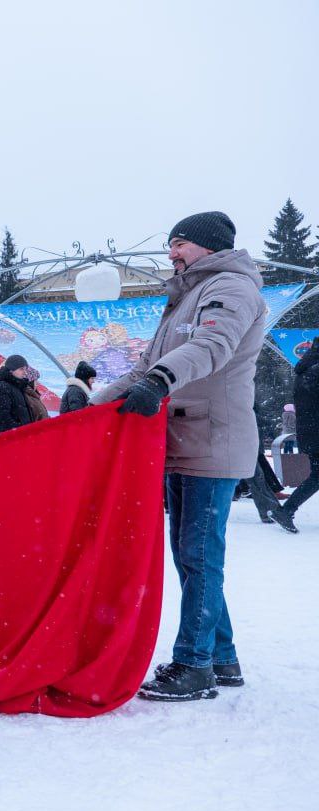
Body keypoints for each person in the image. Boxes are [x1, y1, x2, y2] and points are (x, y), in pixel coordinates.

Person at [93, 212, 266, 701]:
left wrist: (161, 381)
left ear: (208, 247)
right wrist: (89, 407)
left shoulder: (230, 288)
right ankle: (223, 657)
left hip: (214, 442)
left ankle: (194, 665)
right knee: (194, 558)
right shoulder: (186, 296)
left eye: (180, 243)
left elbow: (212, 346)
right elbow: (145, 367)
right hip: (183, 443)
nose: (171, 253)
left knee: (200, 557)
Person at [270, 340, 319, 533]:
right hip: (316, 431)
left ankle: (286, 510)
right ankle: (286, 510)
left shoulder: (305, 369)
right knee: (317, 476)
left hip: (309, 432)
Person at [0, 354, 33, 433]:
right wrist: (19, 431)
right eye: (21, 369)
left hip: (22, 436)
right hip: (13, 438)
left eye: (25, 369)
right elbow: (2, 417)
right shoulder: (2, 387)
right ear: (11, 370)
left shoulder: (18, 387)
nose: (25, 372)